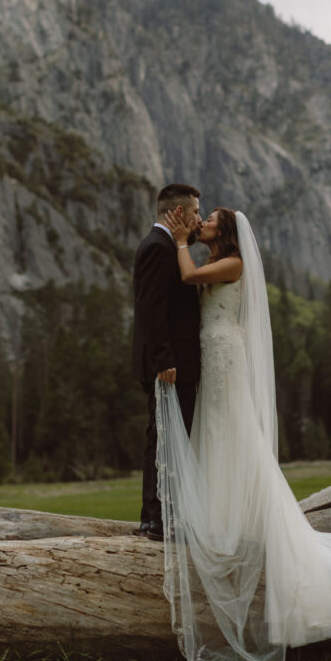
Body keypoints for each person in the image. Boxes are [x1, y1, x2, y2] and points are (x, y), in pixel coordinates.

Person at [157, 206, 331, 661]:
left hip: (223, 354)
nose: (205, 223)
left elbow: (189, 278)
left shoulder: (232, 264)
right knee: (218, 433)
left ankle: (253, 526)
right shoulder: (222, 257)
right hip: (213, 352)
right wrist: (188, 236)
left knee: (233, 432)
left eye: (211, 218)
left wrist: (181, 242)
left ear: (228, 231)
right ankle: (228, 517)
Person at [132, 183, 203, 542]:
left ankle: (160, 515)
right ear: (178, 213)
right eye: (195, 212)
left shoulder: (167, 246)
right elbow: (150, 307)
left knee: (167, 437)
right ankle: (155, 518)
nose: (198, 219)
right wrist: (163, 359)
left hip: (173, 363)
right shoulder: (158, 248)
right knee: (161, 438)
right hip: (168, 364)